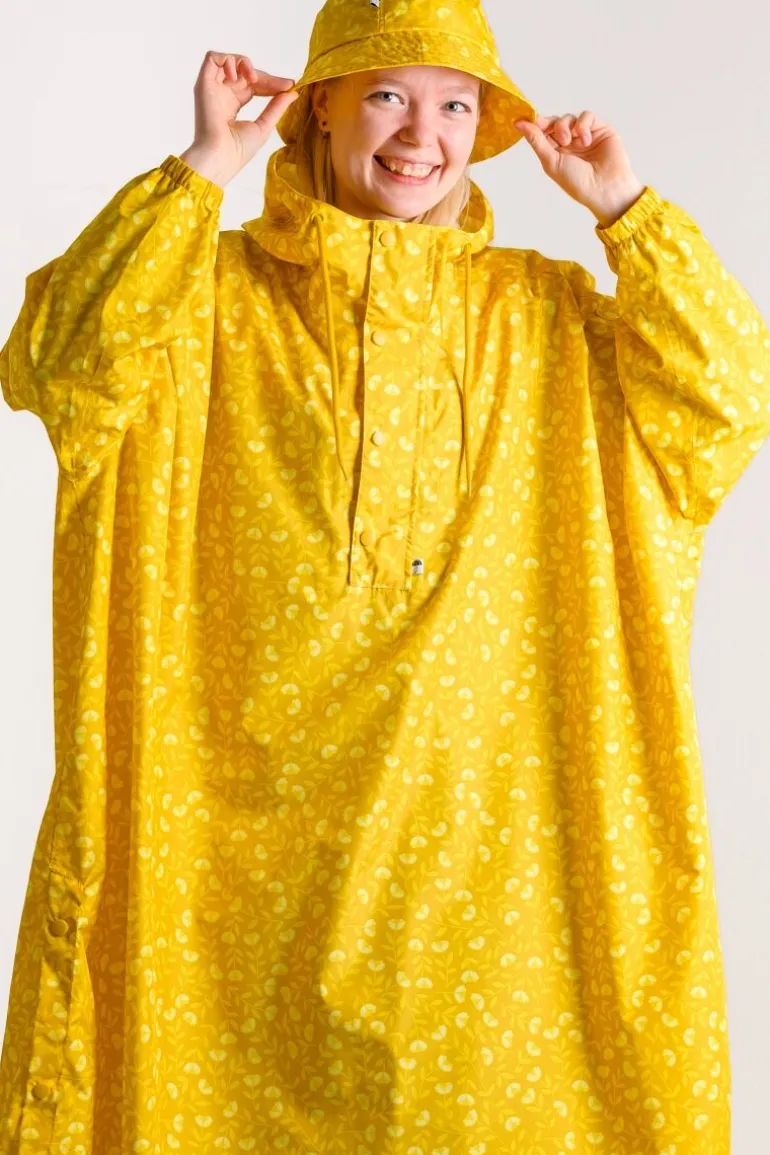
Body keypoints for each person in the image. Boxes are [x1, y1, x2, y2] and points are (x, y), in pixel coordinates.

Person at [0, 0, 768, 1150]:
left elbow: (730, 397)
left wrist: (626, 211)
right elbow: (56, 360)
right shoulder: (198, 301)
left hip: (498, 876)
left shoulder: (547, 318)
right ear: (318, 108)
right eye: (388, 95)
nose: (422, 134)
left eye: (455, 104)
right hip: (219, 881)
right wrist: (203, 166)